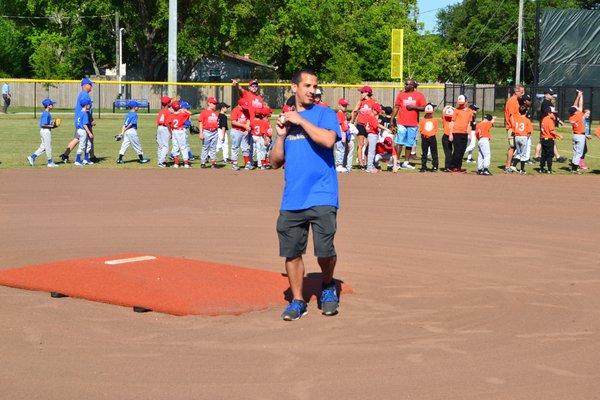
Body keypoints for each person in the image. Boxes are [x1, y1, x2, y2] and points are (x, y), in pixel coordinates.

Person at [270, 68, 342, 321]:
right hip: (293, 197)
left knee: (324, 250)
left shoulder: (325, 114)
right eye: (308, 86)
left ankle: (328, 285)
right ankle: (298, 301)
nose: (313, 91)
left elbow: (328, 140)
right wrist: (280, 137)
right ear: (295, 88)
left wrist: (301, 121)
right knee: (292, 251)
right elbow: (274, 162)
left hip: (323, 193)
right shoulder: (284, 122)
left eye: (315, 86)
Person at [390, 79, 427, 171]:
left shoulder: (419, 95)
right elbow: (396, 107)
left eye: (407, 84)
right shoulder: (401, 94)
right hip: (401, 122)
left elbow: (424, 108)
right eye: (405, 84)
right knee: (399, 142)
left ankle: (406, 162)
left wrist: (414, 107)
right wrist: (391, 120)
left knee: (409, 143)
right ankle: (397, 162)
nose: (405, 85)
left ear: (412, 86)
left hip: (413, 123)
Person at [60, 78, 96, 163]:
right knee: (85, 138)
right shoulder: (84, 95)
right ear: (85, 85)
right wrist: (91, 119)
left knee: (79, 138)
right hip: (84, 121)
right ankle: (90, 157)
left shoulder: (84, 94)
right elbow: (86, 110)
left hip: (83, 120)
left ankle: (90, 156)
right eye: (90, 84)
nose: (91, 86)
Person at [351, 86, 379, 168]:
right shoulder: (361, 101)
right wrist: (352, 120)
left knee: (368, 144)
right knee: (361, 144)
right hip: (360, 124)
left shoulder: (374, 102)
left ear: (367, 93)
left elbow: (377, 113)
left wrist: (375, 123)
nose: (361, 94)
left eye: (362, 92)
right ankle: (361, 163)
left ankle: (367, 162)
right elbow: (354, 110)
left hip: (369, 126)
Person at [27, 98, 59, 168]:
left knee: (43, 147)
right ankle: (50, 162)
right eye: (51, 104)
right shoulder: (46, 114)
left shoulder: (47, 113)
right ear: (48, 105)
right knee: (48, 147)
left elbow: (47, 124)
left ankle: (32, 157)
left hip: (44, 130)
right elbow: (43, 124)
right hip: (45, 131)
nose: (53, 105)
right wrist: (52, 125)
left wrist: (54, 126)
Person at [449, 95, 474, 172]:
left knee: (462, 150)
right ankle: (452, 166)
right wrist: (450, 134)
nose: (461, 105)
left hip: (464, 133)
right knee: (457, 150)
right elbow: (452, 122)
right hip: (456, 132)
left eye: (462, 103)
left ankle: (458, 167)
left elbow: (469, 123)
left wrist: (469, 133)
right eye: (460, 103)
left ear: (466, 102)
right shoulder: (456, 110)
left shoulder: (470, 111)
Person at [503, 84, 524, 173]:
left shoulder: (516, 101)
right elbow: (511, 116)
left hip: (515, 126)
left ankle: (510, 165)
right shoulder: (512, 101)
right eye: (522, 92)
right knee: (512, 146)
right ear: (516, 92)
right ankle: (507, 166)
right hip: (512, 127)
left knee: (515, 147)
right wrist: (515, 127)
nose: (523, 94)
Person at [229, 98, 253, 170]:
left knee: (245, 148)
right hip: (236, 131)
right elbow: (233, 122)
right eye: (243, 106)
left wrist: (247, 126)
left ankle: (247, 163)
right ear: (239, 105)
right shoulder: (235, 110)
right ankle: (234, 164)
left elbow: (248, 119)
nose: (245, 108)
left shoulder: (246, 110)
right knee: (235, 147)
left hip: (244, 131)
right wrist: (244, 126)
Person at [198, 97, 220, 168]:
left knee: (213, 148)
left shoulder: (216, 113)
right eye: (213, 103)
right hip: (207, 131)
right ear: (209, 103)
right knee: (205, 147)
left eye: (215, 104)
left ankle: (213, 163)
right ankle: (203, 162)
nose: (215, 105)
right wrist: (201, 133)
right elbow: (201, 123)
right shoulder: (204, 112)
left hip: (215, 132)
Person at [539, 108, 563, 174]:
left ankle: (541, 168)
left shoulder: (544, 119)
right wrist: (559, 135)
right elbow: (551, 131)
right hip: (549, 140)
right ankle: (549, 169)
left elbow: (547, 130)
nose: (554, 114)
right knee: (549, 155)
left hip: (543, 139)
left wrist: (555, 137)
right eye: (553, 113)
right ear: (549, 113)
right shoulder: (549, 120)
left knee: (543, 155)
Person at [510, 105, 533, 174]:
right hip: (523, 137)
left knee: (519, 152)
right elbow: (529, 131)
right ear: (526, 112)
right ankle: (522, 169)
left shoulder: (516, 119)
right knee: (523, 154)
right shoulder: (527, 120)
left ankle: (513, 166)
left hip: (517, 137)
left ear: (519, 112)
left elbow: (513, 130)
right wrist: (527, 138)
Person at [568, 90, 586, 174]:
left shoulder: (571, 117)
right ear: (575, 111)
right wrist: (580, 96)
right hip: (580, 136)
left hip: (575, 135)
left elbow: (575, 106)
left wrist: (579, 96)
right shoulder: (578, 115)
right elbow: (580, 105)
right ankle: (574, 169)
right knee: (579, 153)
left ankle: (573, 167)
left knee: (575, 152)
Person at [169, 100, 191, 168]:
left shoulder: (171, 115)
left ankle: (176, 163)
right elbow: (189, 113)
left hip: (174, 131)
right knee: (183, 147)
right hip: (181, 131)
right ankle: (186, 163)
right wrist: (183, 110)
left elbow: (169, 123)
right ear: (179, 107)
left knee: (175, 147)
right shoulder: (183, 114)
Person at [418, 104, 439, 172]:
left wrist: (431, 134)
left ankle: (435, 166)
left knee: (434, 153)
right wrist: (424, 135)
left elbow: (435, 129)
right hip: (424, 137)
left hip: (432, 137)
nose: (429, 114)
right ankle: (424, 167)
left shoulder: (435, 120)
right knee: (424, 153)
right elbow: (420, 129)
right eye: (428, 113)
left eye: (430, 113)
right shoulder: (422, 120)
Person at [73, 98, 94, 166]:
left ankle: (86, 159)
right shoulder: (85, 113)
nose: (90, 105)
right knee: (82, 145)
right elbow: (85, 125)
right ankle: (77, 160)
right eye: (89, 104)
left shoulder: (79, 112)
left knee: (89, 144)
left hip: (79, 130)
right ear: (86, 105)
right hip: (83, 130)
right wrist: (89, 133)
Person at [335, 98, 350, 173]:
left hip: (343, 132)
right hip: (341, 133)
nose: (345, 107)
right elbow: (339, 125)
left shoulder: (343, 114)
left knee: (342, 149)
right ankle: (339, 165)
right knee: (340, 149)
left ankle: (339, 165)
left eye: (346, 106)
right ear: (339, 106)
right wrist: (342, 135)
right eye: (343, 105)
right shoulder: (339, 113)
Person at [156, 96, 172, 168]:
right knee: (165, 146)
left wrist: (157, 132)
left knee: (160, 146)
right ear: (168, 103)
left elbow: (157, 122)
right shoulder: (168, 112)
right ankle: (161, 162)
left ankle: (160, 160)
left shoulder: (161, 111)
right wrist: (170, 132)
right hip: (165, 128)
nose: (171, 102)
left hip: (159, 128)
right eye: (170, 101)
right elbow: (168, 123)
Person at [441, 106, 454, 172]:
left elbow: (443, 111)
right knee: (448, 153)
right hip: (446, 137)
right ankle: (447, 167)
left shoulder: (445, 118)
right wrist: (451, 108)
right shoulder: (446, 118)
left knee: (450, 152)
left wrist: (448, 107)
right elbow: (443, 111)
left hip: (450, 137)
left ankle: (450, 166)